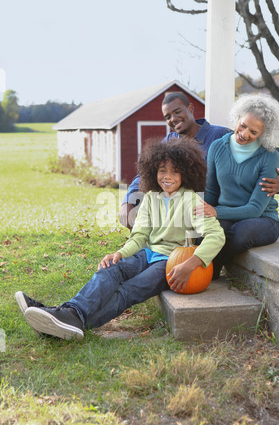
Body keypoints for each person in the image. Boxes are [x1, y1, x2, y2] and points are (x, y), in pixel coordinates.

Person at [15, 137, 225, 340]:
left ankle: (63, 318)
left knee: (129, 290)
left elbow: (216, 236)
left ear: (186, 174)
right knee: (110, 269)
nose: (167, 176)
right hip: (148, 254)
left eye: (174, 172)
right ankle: (69, 313)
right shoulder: (151, 197)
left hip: (170, 263)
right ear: (153, 172)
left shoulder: (191, 200)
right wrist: (119, 253)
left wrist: (190, 264)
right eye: (162, 170)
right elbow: (139, 235)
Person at [119, 91, 279, 229]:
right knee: (142, 208)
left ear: (190, 108)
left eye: (177, 112)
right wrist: (127, 202)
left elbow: (253, 152)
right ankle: (150, 250)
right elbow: (144, 175)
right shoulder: (168, 143)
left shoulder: (219, 136)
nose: (173, 119)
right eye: (167, 116)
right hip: (180, 201)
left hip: (207, 202)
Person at [197, 93, 279, 279]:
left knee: (239, 233)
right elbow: (212, 191)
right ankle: (200, 270)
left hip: (262, 219)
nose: (245, 133)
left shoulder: (269, 156)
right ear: (238, 117)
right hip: (227, 214)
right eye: (243, 125)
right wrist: (200, 210)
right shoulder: (217, 147)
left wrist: (216, 212)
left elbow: (255, 209)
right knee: (204, 231)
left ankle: (209, 271)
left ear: (264, 134)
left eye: (254, 132)